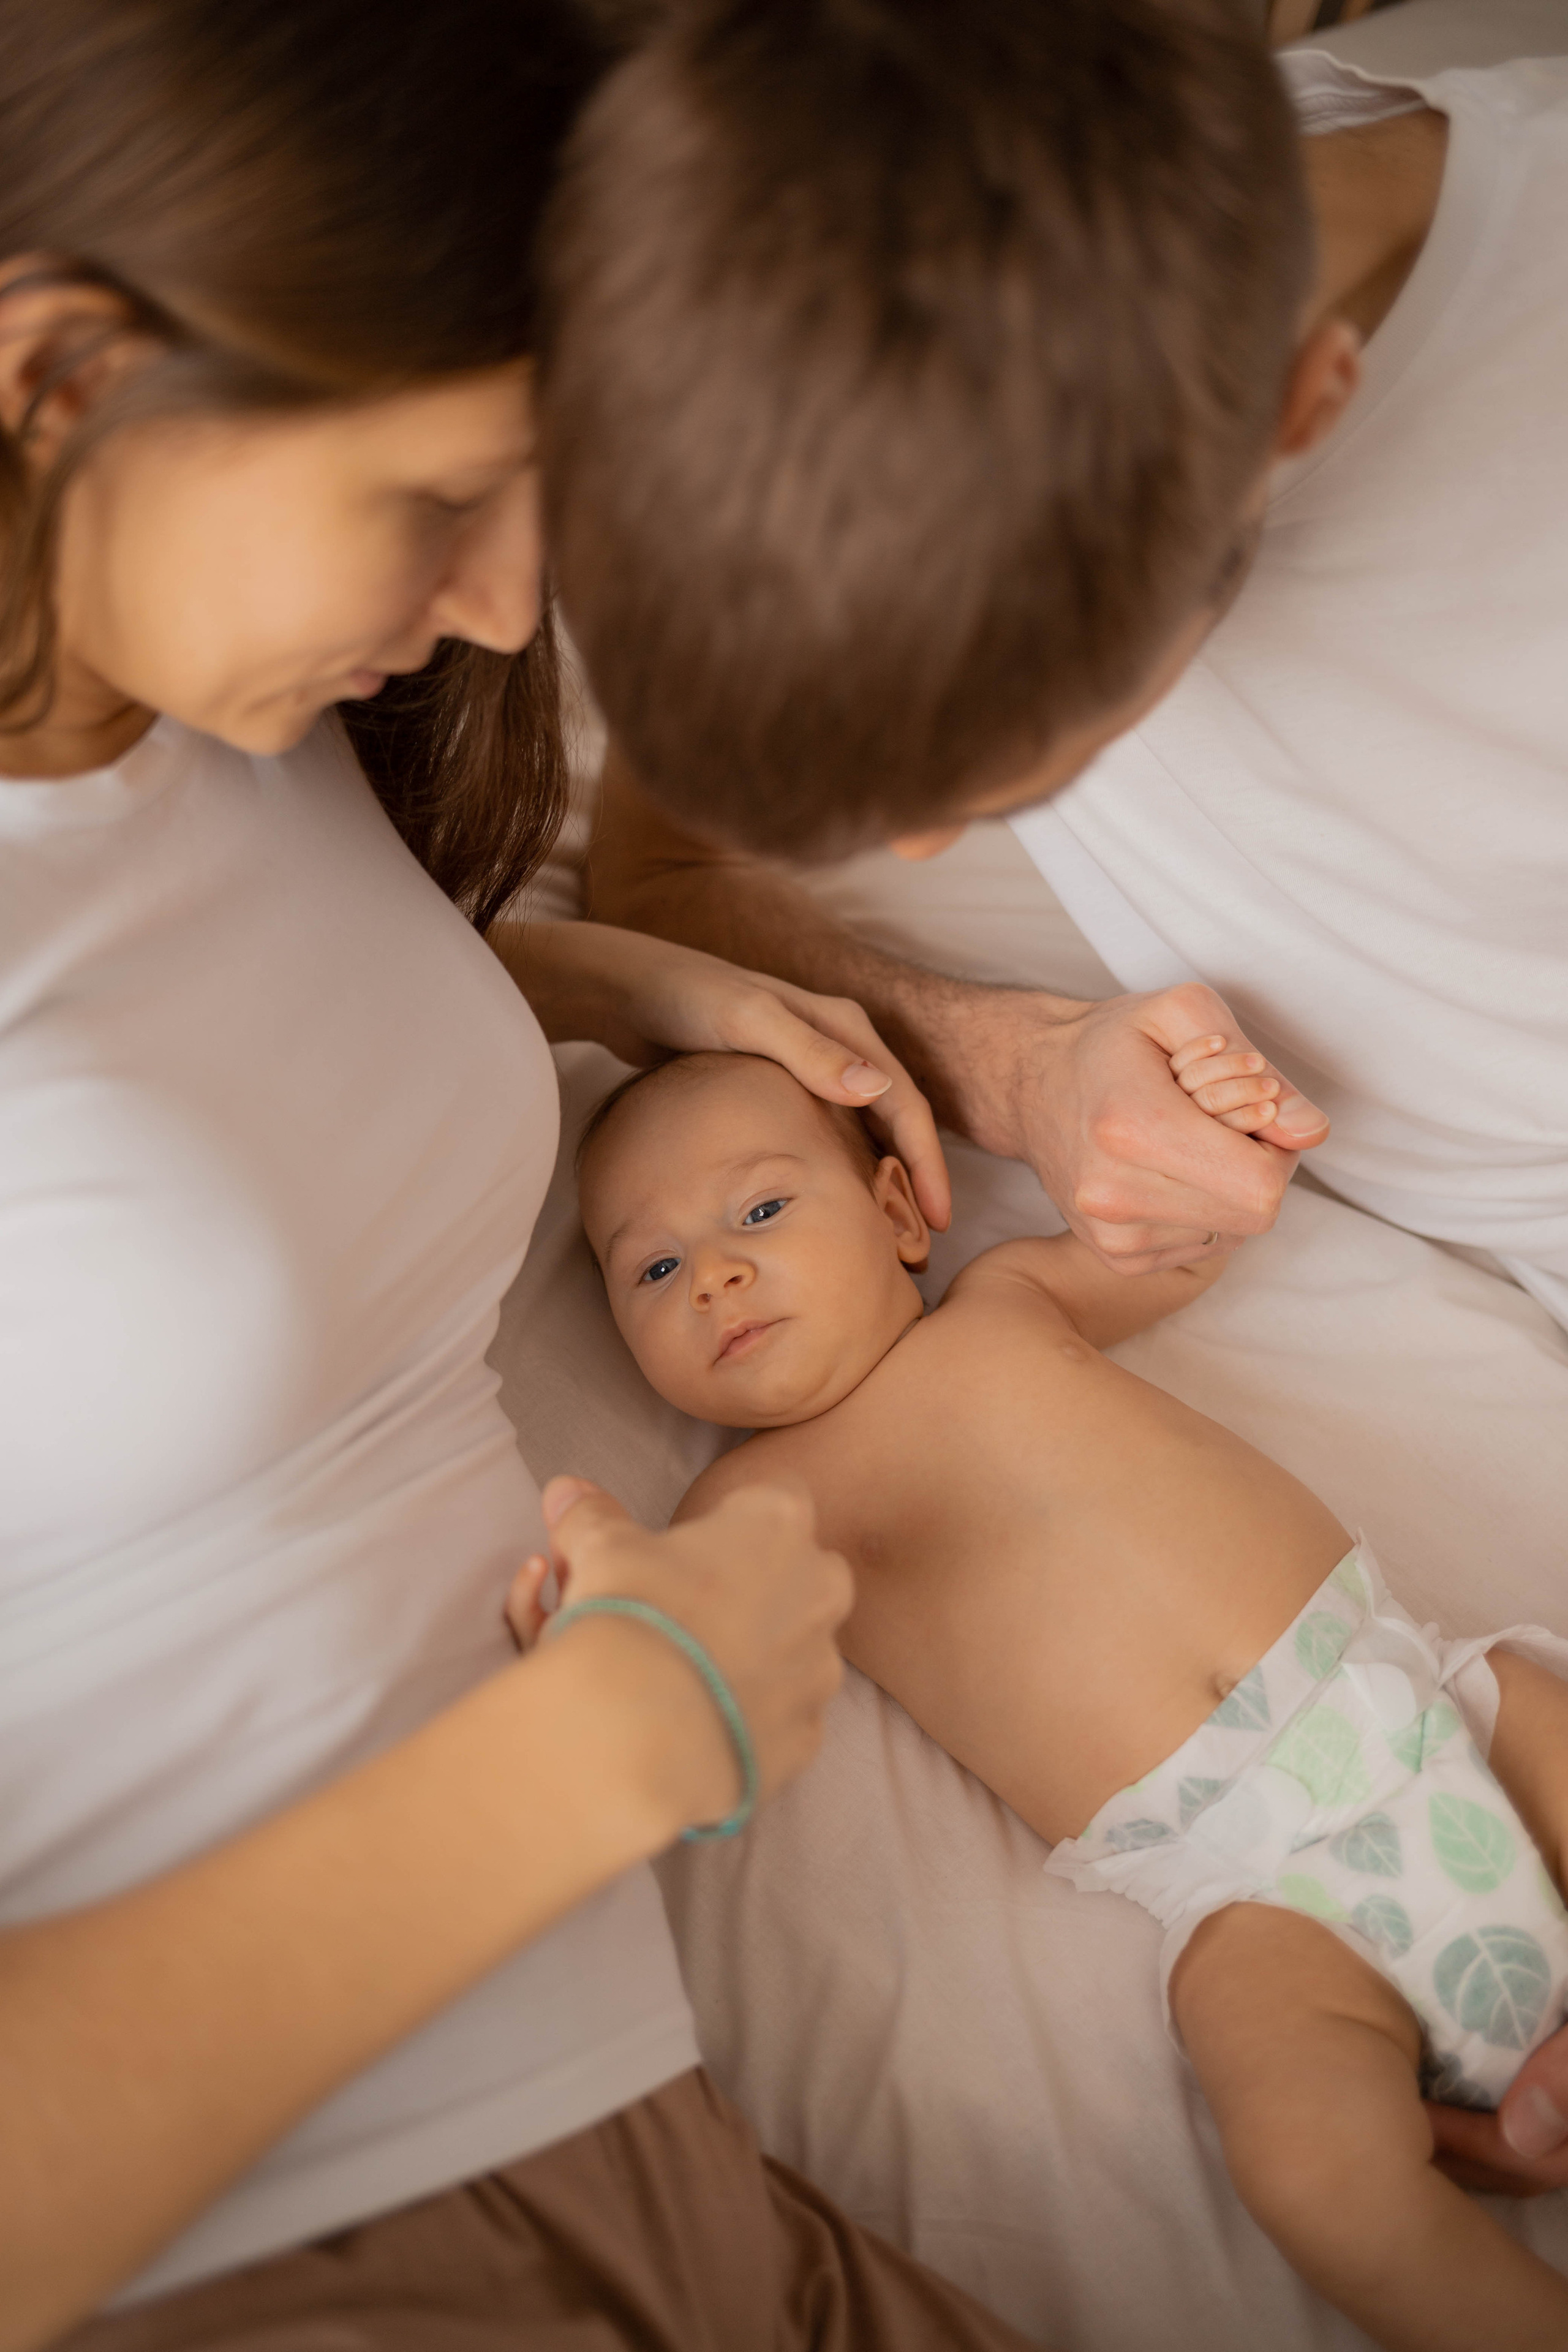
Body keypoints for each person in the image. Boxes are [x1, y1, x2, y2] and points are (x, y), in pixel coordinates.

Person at [0, 6, 1051, 2348]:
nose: (500, 607)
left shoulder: (220, 702)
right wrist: (594, 1762)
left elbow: (155, 1043)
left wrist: (602, 981)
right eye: (442, 495)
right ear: (63, 373)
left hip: (638, 2160)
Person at [541, 0, 1568, 2184]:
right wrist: (1004, 1050)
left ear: (1309, 418)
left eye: (1007, 772)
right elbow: (678, 868)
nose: (917, 858)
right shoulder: (860, 315)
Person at [573, 1045, 1568, 2352]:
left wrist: (1214, 1122)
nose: (712, 1272)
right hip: (1249, 1894)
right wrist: (608, 1595)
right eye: (651, 1269)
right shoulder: (754, 1506)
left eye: (759, 1211)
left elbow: (1189, 1222)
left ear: (887, 1213)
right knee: (1314, 2179)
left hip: (1429, 1702)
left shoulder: (1010, 1299)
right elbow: (686, 1672)